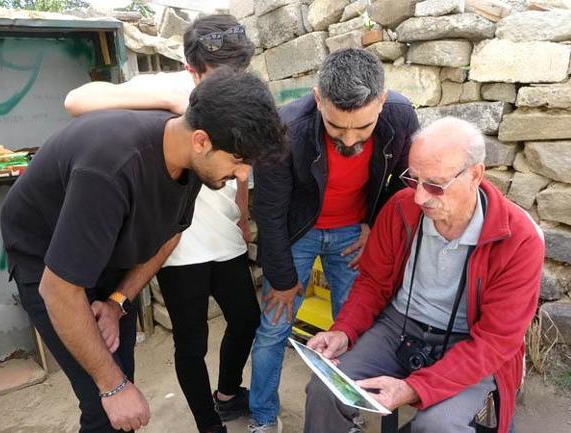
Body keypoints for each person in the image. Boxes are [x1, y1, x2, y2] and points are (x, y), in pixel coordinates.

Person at [0, 68, 285, 433]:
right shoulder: (111, 168)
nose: (243, 176)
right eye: (238, 161)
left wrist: (119, 300)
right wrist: (112, 386)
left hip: (110, 256)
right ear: (201, 141)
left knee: (120, 374)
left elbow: (170, 235)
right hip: (48, 263)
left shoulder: (192, 161)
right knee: (108, 400)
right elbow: (58, 290)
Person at [64, 14, 259, 433]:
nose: (233, 85)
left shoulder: (244, 99)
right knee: (192, 341)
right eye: (221, 76)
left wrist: (242, 216)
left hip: (225, 235)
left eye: (239, 73)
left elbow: (244, 170)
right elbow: (76, 100)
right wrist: (176, 103)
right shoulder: (175, 89)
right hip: (175, 244)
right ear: (193, 69)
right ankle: (209, 425)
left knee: (246, 318)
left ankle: (226, 393)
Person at [303, 117, 545, 433]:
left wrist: (415, 388)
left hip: (469, 343)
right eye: (412, 179)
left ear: (475, 175)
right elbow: (372, 283)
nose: (419, 197)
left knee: (439, 426)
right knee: (324, 390)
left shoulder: (519, 239)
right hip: (398, 326)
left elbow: (494, 343)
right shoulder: (402, 208)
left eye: (434, 185)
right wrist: (344, 331)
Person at [249, 48, 419, 433]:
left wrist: (375, 224)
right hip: (297, 235)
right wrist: (281, 276)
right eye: (336, 126)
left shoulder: (401, 115)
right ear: (317, 98)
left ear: (381, 100)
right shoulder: (284, 129)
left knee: (353, 329)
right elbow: (270, 212)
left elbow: (406, 181)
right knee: (274, 327)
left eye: (362, 127)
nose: (349, 138)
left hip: (353, 235)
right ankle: (261, 417)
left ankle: (347, 412)